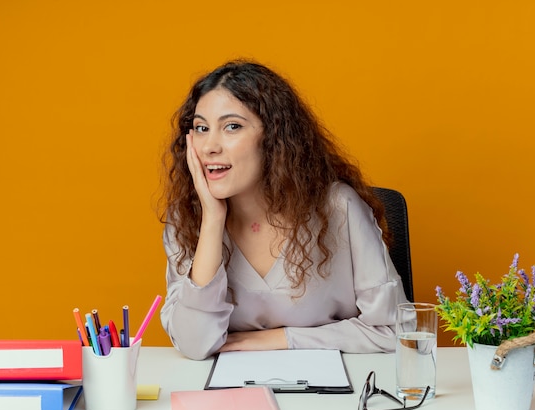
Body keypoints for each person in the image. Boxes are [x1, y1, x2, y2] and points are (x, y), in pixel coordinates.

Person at [159, 59, 408, 360]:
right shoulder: (186, 220)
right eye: (201, 128)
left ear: (273, 138)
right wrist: (212, 220)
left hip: (337, 397)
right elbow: (194, 345)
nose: (210, 146)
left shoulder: (339, 208)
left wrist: (283, 339)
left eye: (232, 127)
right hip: (234, 398)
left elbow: (395, 330)